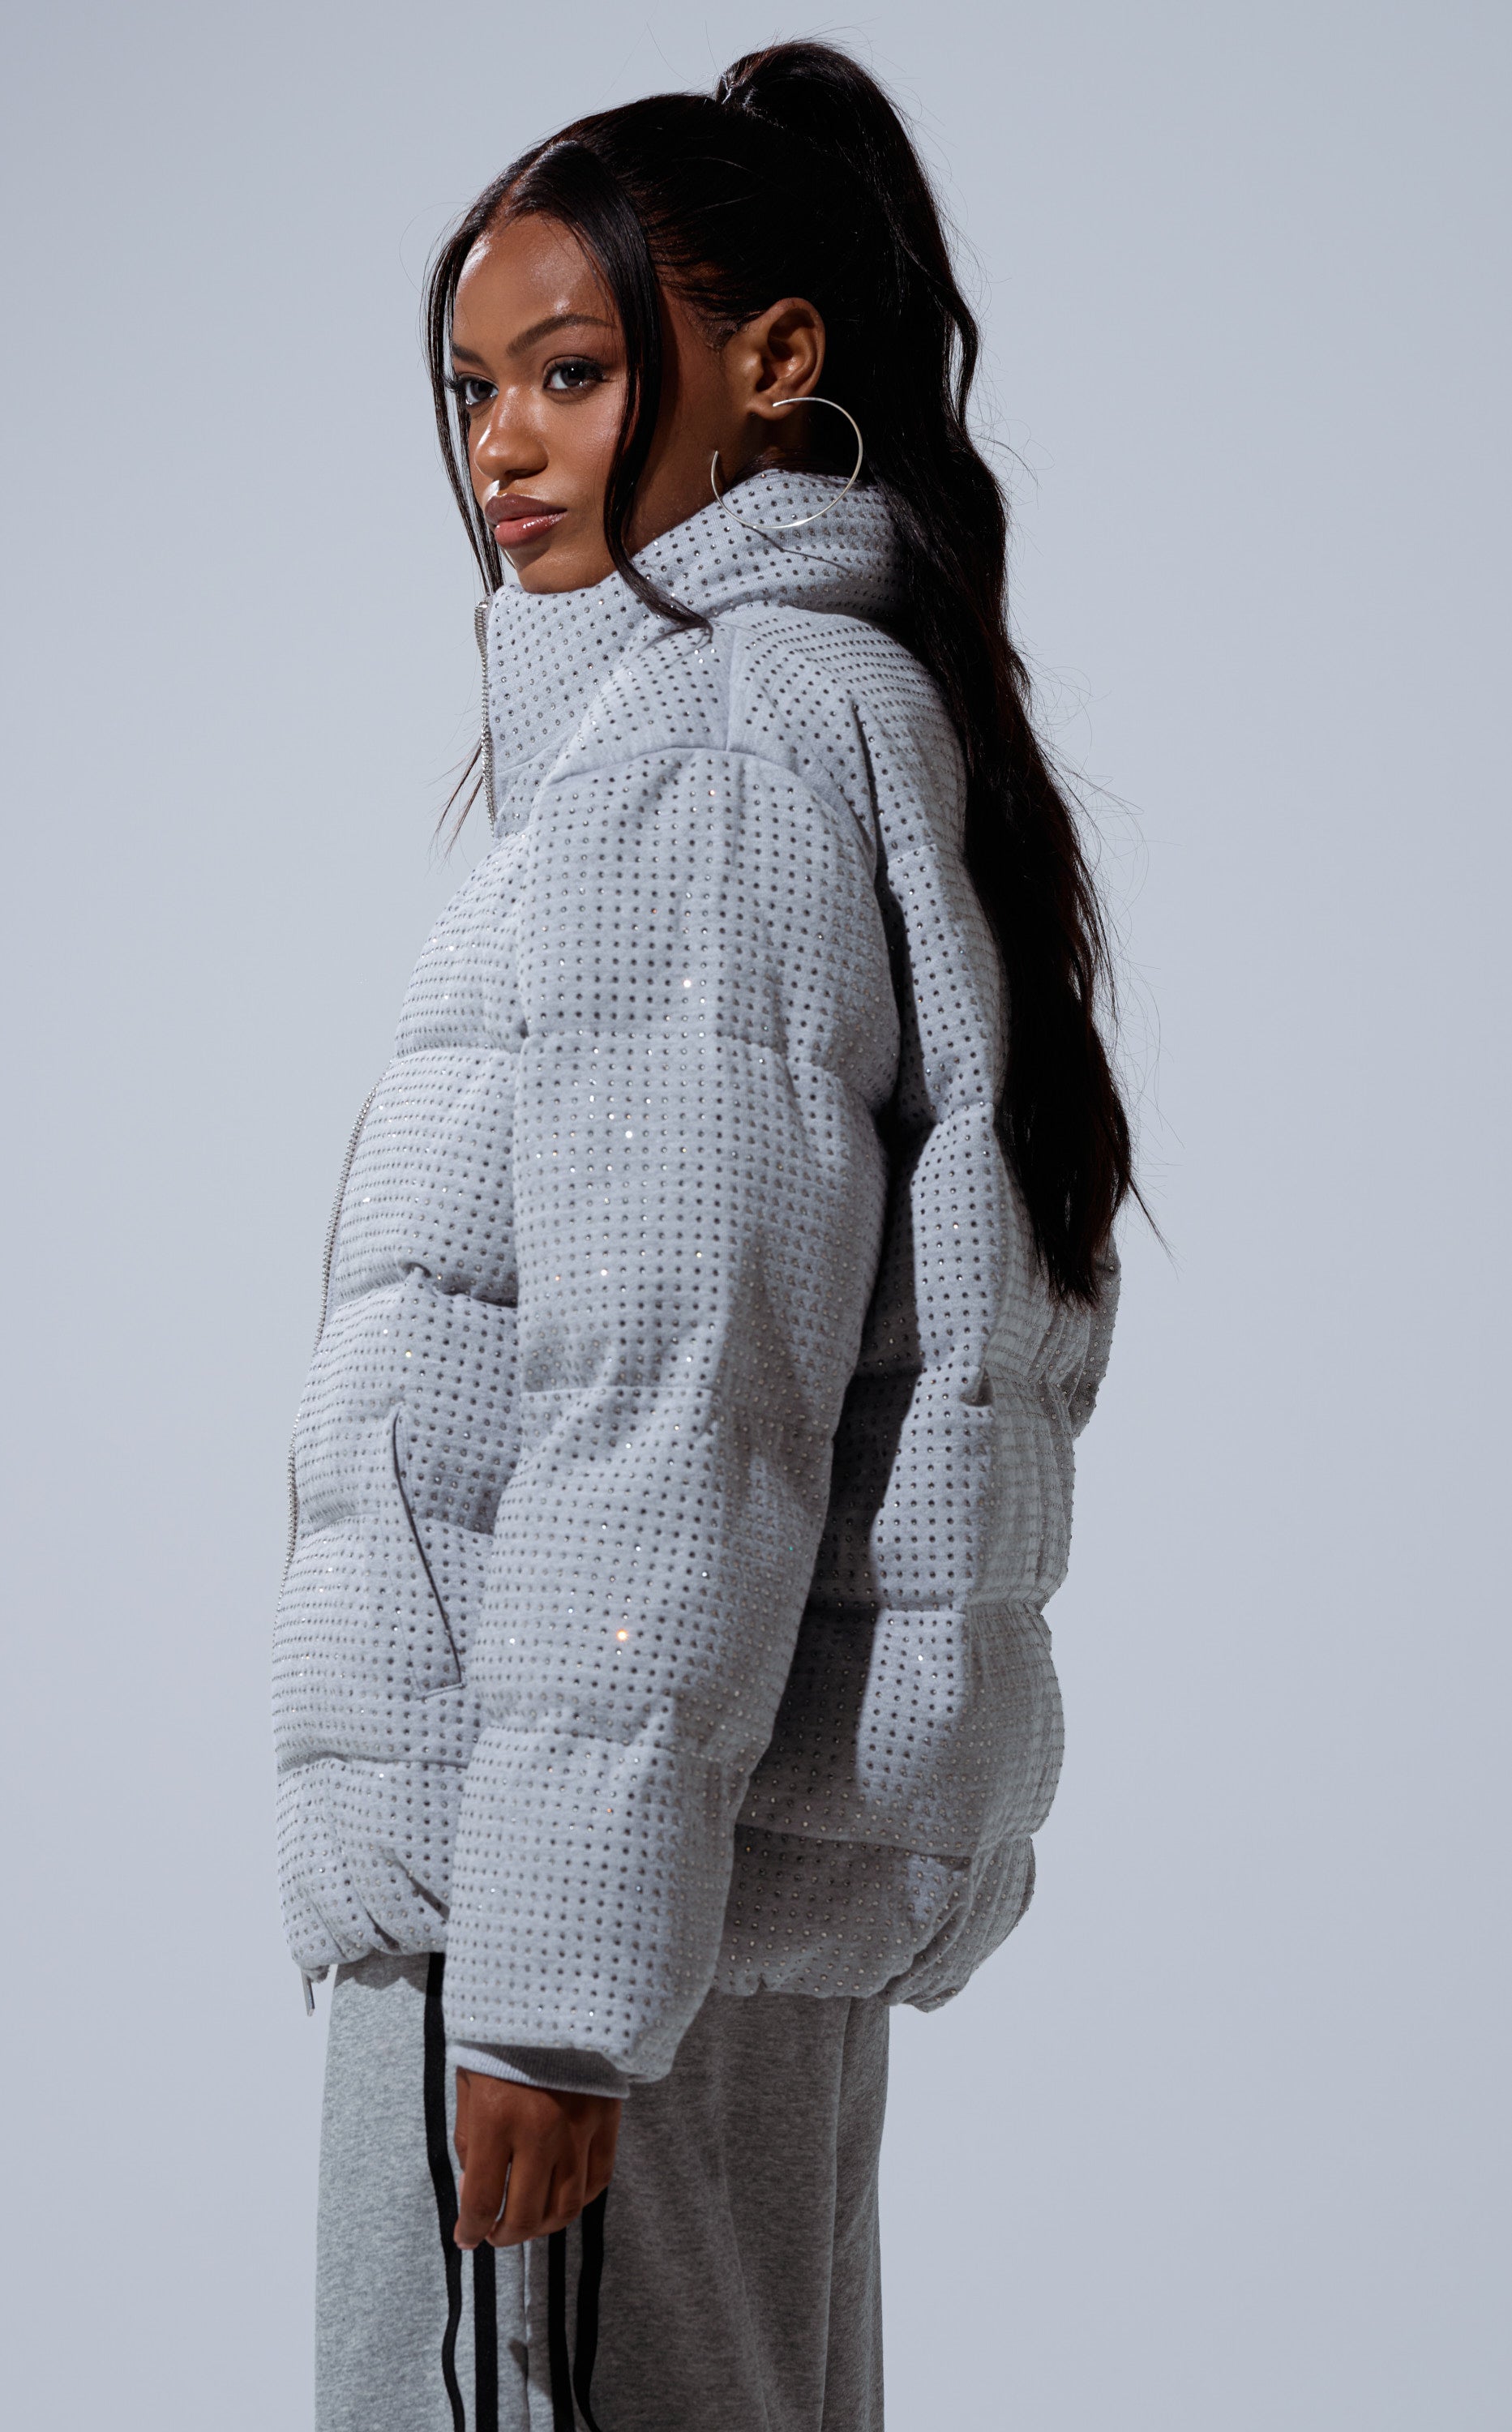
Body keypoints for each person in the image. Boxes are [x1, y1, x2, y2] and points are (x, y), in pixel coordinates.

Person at [275, 39, 1132, 2432]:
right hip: (692, 1916)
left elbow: (683, 1386)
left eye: (567, 368)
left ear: (776, 367)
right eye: (473, 385)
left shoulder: (716, 740)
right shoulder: (834, 720)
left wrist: (547, 1981)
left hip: (563, 1917)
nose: (503, 444)